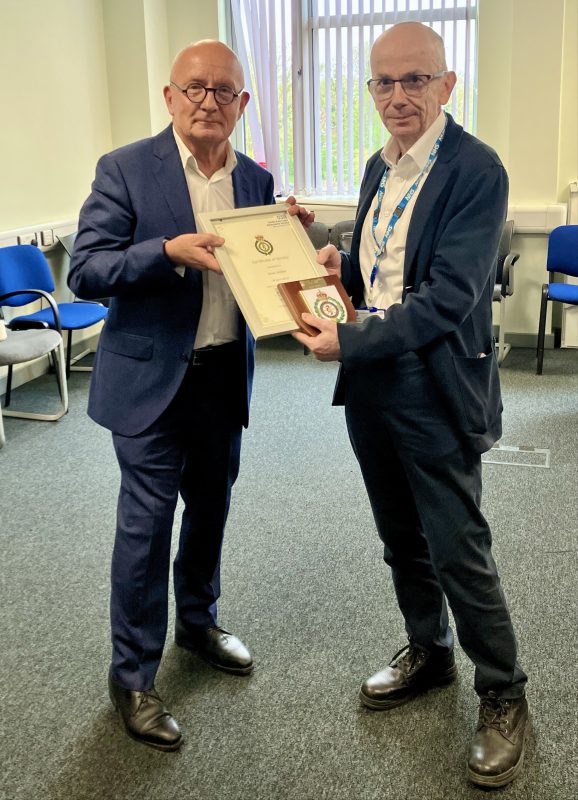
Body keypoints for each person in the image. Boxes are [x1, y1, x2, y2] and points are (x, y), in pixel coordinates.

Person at [294, 22, 528, 789]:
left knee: (458, 545)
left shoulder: (475, 170)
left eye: (414, 80)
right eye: (383, 82)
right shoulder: (379, 166)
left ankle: (504, 692)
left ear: (446, 84)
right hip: (374, 384)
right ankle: (429, 650)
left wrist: (349, 336)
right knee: (400, 536)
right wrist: (337, 265)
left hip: (435, 386)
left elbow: (449, 298)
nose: (397, 96)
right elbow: (383, 273)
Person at [69, 40, 312, 751]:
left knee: (210, 509)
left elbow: (264, 270)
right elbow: (86, 269)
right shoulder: (125, 169)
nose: (209, 102)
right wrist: (166, 252)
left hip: (221, 375)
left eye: (224, 91)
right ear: (171, 97)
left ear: (243, 103)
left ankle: (199, 623)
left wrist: (292, 245)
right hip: (149, 381)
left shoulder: (256, 179)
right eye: (195, 89)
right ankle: (132, 676)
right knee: (146, 527)